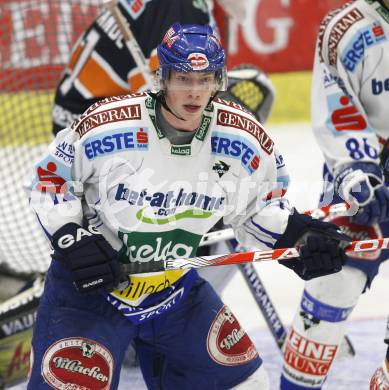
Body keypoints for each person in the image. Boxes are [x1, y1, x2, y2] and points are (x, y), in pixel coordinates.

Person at [27, 23, 349, 389]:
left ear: (218, 80)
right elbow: (49, 182)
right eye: (183, 78)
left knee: (250, 385)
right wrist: (72, 237)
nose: (195, 92)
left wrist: (297, 236)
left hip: (174, 291)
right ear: (162, 78)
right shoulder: (106, 127)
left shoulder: (242, 138)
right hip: (92, 293)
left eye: (205, 78)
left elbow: (257, 210)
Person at [51, 0, 275, 297]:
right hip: (96, 147)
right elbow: (160, 101)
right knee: (221, 211)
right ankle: (168, 305)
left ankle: (167, 306)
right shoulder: (179, 11)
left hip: (86, 132)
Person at [280, 1, 389, 389]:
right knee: (329, 292)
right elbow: (338, 111)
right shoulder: (347, 28)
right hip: (365, 180)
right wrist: (359, 174)